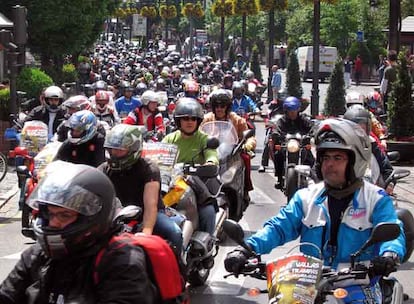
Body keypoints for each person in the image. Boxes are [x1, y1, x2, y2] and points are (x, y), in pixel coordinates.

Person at [224, 118, 406, 274]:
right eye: (325, 158)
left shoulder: (376, 199)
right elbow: (278, 228)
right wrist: (246, 249)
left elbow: (392, 233)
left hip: (360, 285)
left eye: (337, 158)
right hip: (309, 284)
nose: (329, 164)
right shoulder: (305, 198)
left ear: (355, 162)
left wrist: (389, 255)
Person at [0, 161, 158, 303]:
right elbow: (6, 294)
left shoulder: (122, 262)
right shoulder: (37, 255)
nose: (54, 222)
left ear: (92, 217)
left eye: (65, 215)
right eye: (50, 213)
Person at [99, 124, 183, 255]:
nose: (114, 154)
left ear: (134, 149)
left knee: (174, 233)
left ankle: (178, 271)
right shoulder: (104, 169)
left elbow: (151, 206)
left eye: (120, 150)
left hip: (147, 213)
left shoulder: (148, 169)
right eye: (112, 149)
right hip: (118, 215)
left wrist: (146, 233)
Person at [162, 98, 219, 236]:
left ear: (198, 121)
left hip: (195, 186)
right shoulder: (169, 139)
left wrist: (210, 163)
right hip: (169, 185)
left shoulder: (204, 139)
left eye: (193, 119)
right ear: (178, 121)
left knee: (208, 212)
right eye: (185, 118)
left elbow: (212, 156)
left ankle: (207, 244)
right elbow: (158, 157)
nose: (189, 122)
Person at [202, 89, 256, 201]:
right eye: (216, 106)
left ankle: (246, 188)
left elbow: (249, 137)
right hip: (210, 152)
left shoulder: (236, 119)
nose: (219, 109)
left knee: (245, 158)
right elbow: (199, 134)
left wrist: (248, 145)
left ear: (227, 107)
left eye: (222, 106)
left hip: (232, 153)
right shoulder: (206, 119)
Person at [343, 105, 394, 194]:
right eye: (354, 127)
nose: (358, 131)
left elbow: (387, 169)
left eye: (362, 127)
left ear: (368, 128)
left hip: (371, 192)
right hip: (342, 192)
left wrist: (390, 184)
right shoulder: (340, 145)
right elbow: (319, 170)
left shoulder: (372, 144)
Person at [270, 96, 314, 188]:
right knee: (278, 155)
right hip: (286, 145)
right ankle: (279, 178)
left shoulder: (303, 119)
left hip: (301, 145)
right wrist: (276, 134)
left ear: (298, 110)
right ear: (286, 111)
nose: (292, 113)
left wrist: (311, 134)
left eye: (294, 110)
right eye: (290, 111)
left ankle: (310, 177)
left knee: (310, 156)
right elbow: (276, 129)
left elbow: (312, 127)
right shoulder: (282, 120)